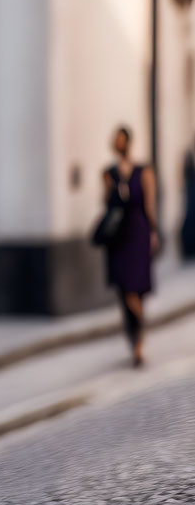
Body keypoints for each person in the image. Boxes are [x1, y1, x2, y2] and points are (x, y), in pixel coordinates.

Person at [101, 125, 161, 368]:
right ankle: (134, 332)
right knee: (125, 289)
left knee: (137, 287)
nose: (119, 144)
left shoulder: (144, 171)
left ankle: (139, 344)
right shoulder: (109, 173)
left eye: (121, 140)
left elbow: (149, 204)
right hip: (119, 237)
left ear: (128, 142)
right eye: (116, 140)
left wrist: (154, 232)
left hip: (138, 232)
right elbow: (106, 204)